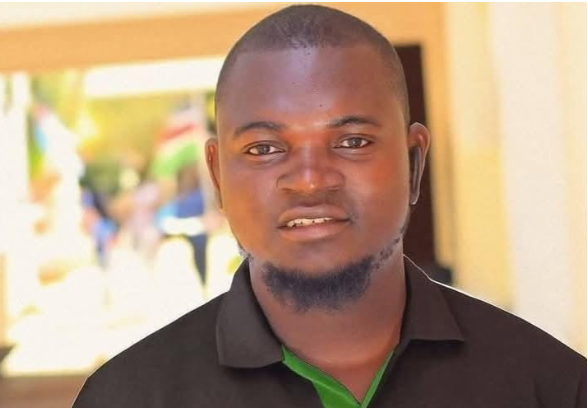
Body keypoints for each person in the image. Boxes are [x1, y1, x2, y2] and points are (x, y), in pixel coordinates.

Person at [74, 5, 586, 407]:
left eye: (352, 142)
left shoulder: (551, 386)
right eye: (264, 149)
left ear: (413, 162)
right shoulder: (128, 399)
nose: (310, 179)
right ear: (217, 177)